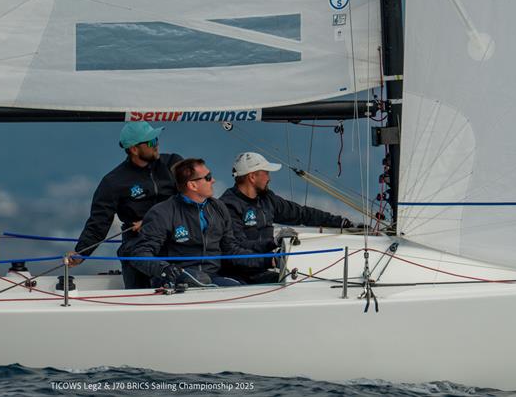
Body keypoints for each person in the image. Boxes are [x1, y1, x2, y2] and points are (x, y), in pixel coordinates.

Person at [66, 122, 183, 289]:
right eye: (151, 142)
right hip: (137, 244)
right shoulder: (113, 182)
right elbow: (99, 222)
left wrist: (152, 220)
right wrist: (81, 253)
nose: (157, 144)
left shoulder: (173, 163)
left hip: (175, 240)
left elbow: (191, 197)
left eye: (156, 139)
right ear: (134, 149)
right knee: (139, 293)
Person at [129, 158, 271, 288]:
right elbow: (140, 253)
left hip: (212, 278)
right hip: (176, 281)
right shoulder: (162, 212)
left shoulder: (219, 208)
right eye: (208, 177)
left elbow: (231, 250)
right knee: (213, 284)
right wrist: (165, 269)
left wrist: (268, 261)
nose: (213, 180)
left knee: (240, 289)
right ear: (192, 185)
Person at [219, 152, 352, 284]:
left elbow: (301, 213)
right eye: (266, 173)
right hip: (240, 276)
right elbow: (237, 248)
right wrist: (273, 247)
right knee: (301, 285)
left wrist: (340, 222)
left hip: (263, 270)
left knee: (309, 283)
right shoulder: (228, 206)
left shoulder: (267, 199)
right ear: (252, 177)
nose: (269, 178)